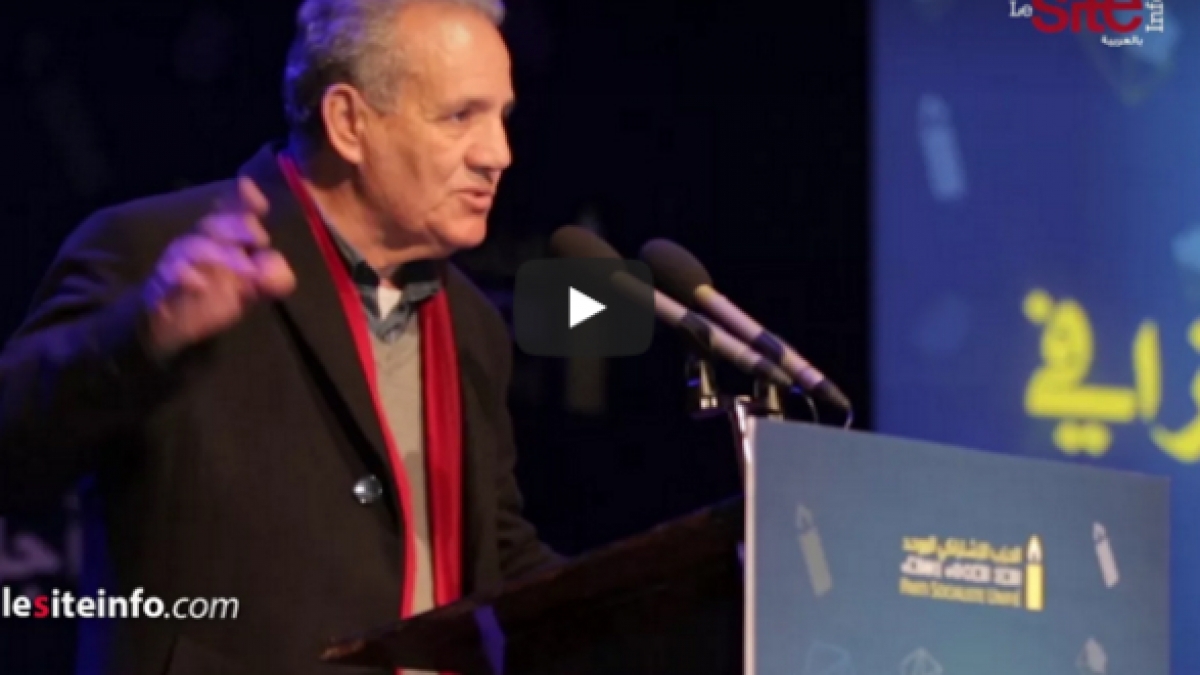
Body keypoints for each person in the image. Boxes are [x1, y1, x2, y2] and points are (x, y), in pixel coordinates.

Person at [0, 0, 560, 673]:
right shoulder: (160, 253)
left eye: (502, 117)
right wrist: (145, 334)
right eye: (460, 116)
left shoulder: (471, 324)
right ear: (349, 122)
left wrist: (655, 604)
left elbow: (491, 551)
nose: (498, 154)